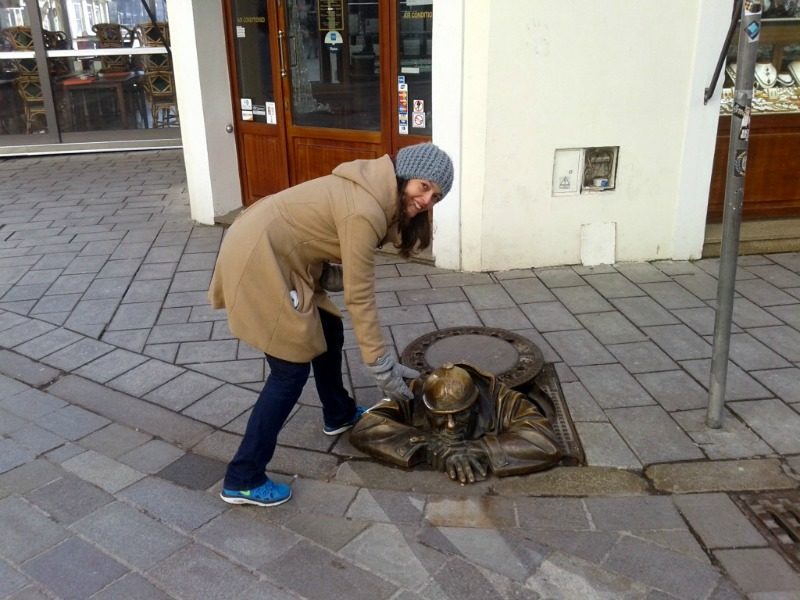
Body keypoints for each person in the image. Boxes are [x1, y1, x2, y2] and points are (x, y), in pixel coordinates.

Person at [208, 143, 455, 506]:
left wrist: (331, 276)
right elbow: (360, 297)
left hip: (284, 255)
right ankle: (242, 477)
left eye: (436, 196)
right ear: (405, 176)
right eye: (424, 187)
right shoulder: (365, 209)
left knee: (328, 328)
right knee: (288, 372)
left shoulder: (374, 194)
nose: (426, 201)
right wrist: (380, 365)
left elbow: (313, 237)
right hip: (258, 258)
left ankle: (337, 412)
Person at [350, 362, 562, 484]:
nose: (450, 425)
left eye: (461, 414)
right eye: (440, 415)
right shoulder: (416, 392)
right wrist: (426, 443)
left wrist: (480, 448)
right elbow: (366, 426)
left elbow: (544, 441)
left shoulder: (502, 399)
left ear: (476, 404)